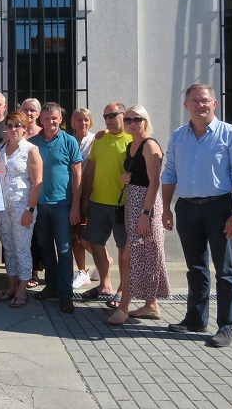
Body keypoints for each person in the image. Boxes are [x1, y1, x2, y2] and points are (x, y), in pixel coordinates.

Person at [162, 84, 232, 348]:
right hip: (187, 208)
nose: (200, 105)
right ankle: (195, 318)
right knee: (196, 268)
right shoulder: (178, 136)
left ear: (214, 104)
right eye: (194, 101)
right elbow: (169, 173)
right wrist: (166, 207)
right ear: (186, 106)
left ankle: (226, 326)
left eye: (204, 101)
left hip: (219, 208)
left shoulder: (230, 134)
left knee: (224, 270)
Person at [107, 105, 171, 325]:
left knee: (130, 256)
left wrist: (146, 213)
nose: (132, 123)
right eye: (129, 120)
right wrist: (128, 178)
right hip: (132, 203)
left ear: (145, 121)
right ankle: (151, 305)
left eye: (137, 119)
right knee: (144, 255)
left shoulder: (149, 145)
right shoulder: (131, 145)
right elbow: (138, 174)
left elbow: (155, 182)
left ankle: (123, 307)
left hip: (145, 206)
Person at [29, 102, 82, 314]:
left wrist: (76, 205)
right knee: (45, 247)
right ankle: (51, 286)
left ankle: (66, 293)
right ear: (40, 120)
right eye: (46, 118)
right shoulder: (32, 143)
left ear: (61, 119)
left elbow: (78, 175)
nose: (50, 122)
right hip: (39, 204)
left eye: (54, 118)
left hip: (62, 204)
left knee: (64, 249)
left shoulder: (69, 141)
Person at [79, 102, 131, 308]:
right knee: (95, 243)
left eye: (113, 115)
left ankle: (122, 290)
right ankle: (105, 285)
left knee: (122, 249)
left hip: (123, 205)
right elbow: (90, 171)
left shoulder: (133, 140)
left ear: (124, 115)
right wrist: (84, 198)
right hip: (98, 202)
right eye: (106, 116)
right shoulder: (98, 140)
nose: (109, 119)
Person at [0, 111, 43, 308]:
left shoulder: (31, 150)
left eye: (17, 126)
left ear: (24, 128)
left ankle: (22, 287)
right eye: (10, 125)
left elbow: (38, 183)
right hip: (2, 207)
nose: (13, 129)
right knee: (9, 247)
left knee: (22, 248)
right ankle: (11, 284)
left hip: (23, 206)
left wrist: (30, 209)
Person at [70, 107, 102, 289]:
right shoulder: (69, 140)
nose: (82, 123)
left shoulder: (96, 140)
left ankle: (105, 261)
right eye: (79, 120)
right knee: (74, 236)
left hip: (90, 194)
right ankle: (82, 271)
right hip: (71, 193)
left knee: (85, 236)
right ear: (73, 122)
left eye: (86, 120)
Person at [20, 97, 43, 288]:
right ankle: (18, 273)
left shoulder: (44, 134)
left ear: (38, 114)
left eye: (32, 110)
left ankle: (34, 272)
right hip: (17, 195)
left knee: (35, 235)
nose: (29, 113)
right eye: (25, 109)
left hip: (38, 192)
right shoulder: (15, 132)